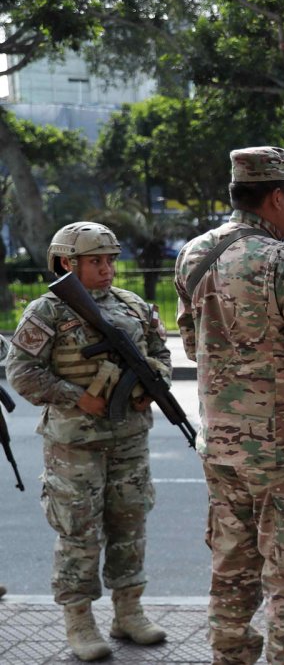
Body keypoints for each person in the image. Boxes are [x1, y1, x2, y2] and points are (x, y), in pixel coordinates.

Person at [174, 146, 284, 664]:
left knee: (232, 570)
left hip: (221, 447)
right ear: (276, 197)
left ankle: (229, 656)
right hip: (283, 455)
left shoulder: (194, 253)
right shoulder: (282, 262)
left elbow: (190, 343)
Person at [7, 222, 170, 661]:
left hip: (129, 439)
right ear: (66, 263)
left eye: (110, 260)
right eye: (96, 261)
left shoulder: (134, 306)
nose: (108, 270)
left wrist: (149, 382)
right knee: (78, 532)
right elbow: (20, 372)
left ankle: (128, 612)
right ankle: (79, 620)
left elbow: (162, 353)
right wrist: (74, 396)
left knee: (129, 524)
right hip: (74, 444)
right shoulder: (48, 312)